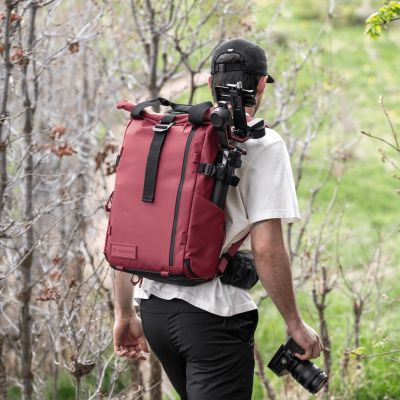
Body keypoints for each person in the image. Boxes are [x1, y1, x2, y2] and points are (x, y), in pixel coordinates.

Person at [112, 38, 323, 400]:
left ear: (211, 83)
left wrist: (124, 313)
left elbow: (128, 224)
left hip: (154, 310)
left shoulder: (171, 133)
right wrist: (295, 324)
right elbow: (267, 248)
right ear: (261, 85)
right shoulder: (264, 144)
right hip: (213, 319)